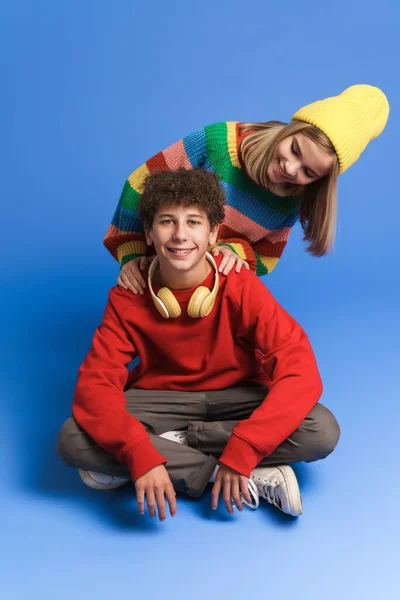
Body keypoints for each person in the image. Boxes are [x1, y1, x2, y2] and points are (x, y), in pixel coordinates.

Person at [57, 169, 340, 521]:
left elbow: (299, 370)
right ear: (148, 232)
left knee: (321, 429)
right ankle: (244, 475)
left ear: (213, 234)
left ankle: (177, 449)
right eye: (166, 222)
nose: (180, 235)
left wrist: (245, 448)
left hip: (237, 397)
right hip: (162, 399)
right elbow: (95, 386)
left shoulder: (240, 284)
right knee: (73, 438)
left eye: (193, 222)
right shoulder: (127, 297)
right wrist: (140, 456)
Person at [104, 84, 389, 295]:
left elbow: (265, 257)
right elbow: (140, 184)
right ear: (291, 129)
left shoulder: (291, 198)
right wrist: (131, 255)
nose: (291, 169)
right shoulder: (218, 143)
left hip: (208, 288)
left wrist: (234, 250)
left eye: (308, 172)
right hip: (161, 269)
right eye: (294, 150)